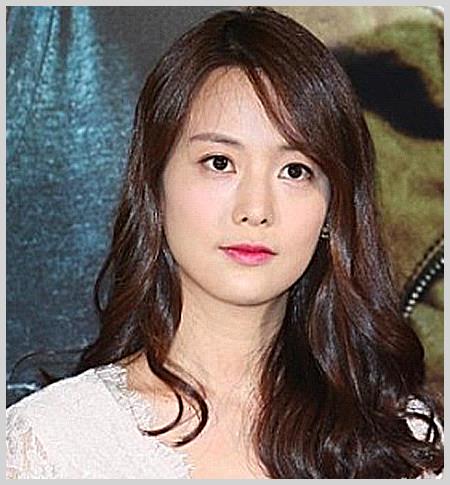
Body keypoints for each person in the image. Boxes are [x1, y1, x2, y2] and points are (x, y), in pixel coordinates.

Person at [5, 7, 443, 479]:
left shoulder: (401, 440)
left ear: (333, 208)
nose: (255, 209)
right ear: (155, 185)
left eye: (295, 171)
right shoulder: (50, 444)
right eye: (219, 163)